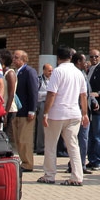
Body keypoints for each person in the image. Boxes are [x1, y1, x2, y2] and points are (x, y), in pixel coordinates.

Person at [39, 46, 89, 186]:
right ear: (71, 58)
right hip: (74, 113)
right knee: (73, 146)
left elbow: (52, 93)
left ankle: (49, 175)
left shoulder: (58, 71)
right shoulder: (79, 73)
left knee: (50, 145)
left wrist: (46, 113)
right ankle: (77, 176)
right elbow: (83, 95)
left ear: (58, 58)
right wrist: (84, 114)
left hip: (57, 113)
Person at [12, 50, 38, 172]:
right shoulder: (15, 72)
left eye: (16, 57)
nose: (14, 59)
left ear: (23, 59)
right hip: (16, 112)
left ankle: (28, 164)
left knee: (24, 139)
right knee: (18, 139)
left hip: (26, 112)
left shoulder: (29, 72)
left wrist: (32, 110)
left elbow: (33, 92)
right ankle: (23, 161)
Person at [0, 49, 18, 137]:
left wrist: (6, 113)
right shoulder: (0, 73)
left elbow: (11, 94)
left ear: (4, 59)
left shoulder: (10, 73)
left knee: (5, 135)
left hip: (9, 109)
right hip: (1, 108)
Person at [34, 63, 53, 155]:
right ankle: (40, 148)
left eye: (52, 70)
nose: (51, 72)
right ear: (44, 70)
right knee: (41, 127)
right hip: (42, 104)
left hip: (52, 104)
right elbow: (36, 94)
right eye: (49, 70)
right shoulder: (39, 80)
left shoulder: (53, 79)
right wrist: (48, 94)